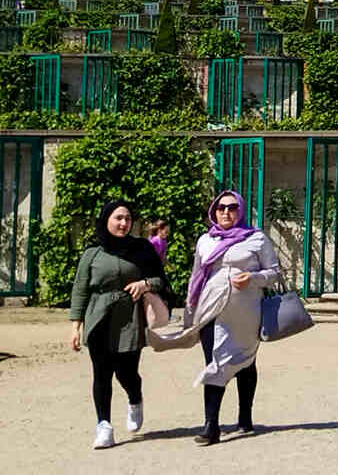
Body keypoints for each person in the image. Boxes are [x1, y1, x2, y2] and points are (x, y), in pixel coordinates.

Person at [149, 190, 281, 445]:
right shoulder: (205, 240)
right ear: (214, 211)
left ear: (240, 210)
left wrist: (253, 278)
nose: (226, 212)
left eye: (232, 208)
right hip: (211, 308)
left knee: (246, 362)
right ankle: (211, 425)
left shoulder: (257, 239)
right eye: (220, 208)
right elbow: (196, 276)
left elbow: (274, 272)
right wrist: (190, 310)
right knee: (214, 363)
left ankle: (245, 416)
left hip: (246, 312)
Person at [70, 200, 166, 449]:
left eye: (127, 218)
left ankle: (135, 397)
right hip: (98, 317)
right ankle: (104, 426)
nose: (124, 223)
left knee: (126, 372)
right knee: (101, 373)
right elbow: (80, 289)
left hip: (129, 318)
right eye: (118, 218)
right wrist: (75, 325)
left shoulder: (142, 249)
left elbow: (161, 281)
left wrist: (144, 284)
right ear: (106, 220)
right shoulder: (92, 252)